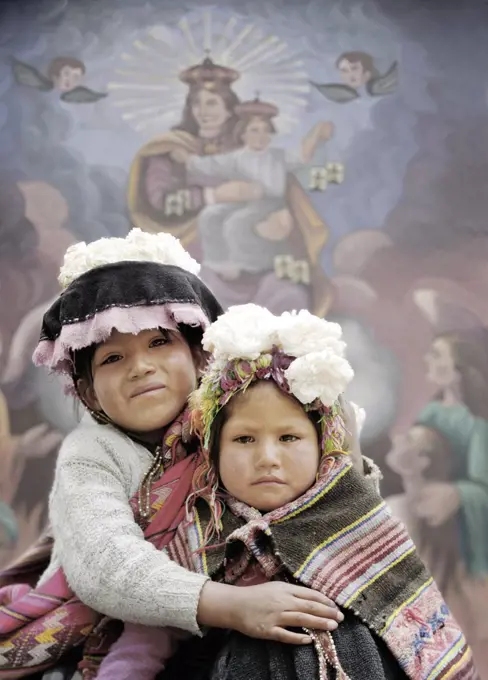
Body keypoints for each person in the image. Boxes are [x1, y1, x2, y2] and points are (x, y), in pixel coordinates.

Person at [0, 230, 366, 679]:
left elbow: (334, 492)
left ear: (199, 357)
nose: (140, 366)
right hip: (122, 632)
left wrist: (334, 419)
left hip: (253, 597)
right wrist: (233, 606)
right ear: (88, 393)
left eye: (159, 343)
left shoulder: (237, 416)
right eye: (112, 358)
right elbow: (104, 564)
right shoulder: (90, 454)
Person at [93, 305, 475, 680]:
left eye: (289, 437)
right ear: (214, 452)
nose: (267, 458)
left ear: (322, 449)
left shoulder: (352, 515)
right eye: (244, 439)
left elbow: (408, 621)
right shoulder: (202, 532)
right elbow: (148, 638)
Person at [128, 56, 332, 317]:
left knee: (287, 299)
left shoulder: (252, 150)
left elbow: (285, 193)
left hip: (260, 256)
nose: (204, 111)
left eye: (212, 103)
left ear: (229, 108)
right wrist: (213, 195)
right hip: (193, 260)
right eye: (197, 103)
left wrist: (284, 221)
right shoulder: (171, 150)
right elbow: (159, 202)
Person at [172, 97, 333, 281]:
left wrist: (316, 134)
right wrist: (187, 160)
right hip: (242, 202)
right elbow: (211, 165)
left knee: (237, 223)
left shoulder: (278, 156)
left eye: (265, 131)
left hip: (270, 204)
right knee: (210, 215)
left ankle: (250, 266)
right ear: (243, 135)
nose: (260, 136)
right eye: (254, 130)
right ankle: (219, 263)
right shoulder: (237, 158)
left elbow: (303, 155)